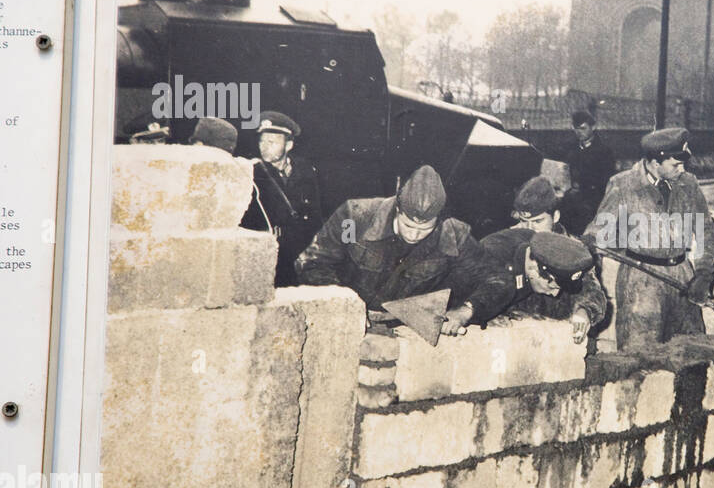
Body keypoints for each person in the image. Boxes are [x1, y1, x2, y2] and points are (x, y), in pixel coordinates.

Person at [297, 165, 512, 334]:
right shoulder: (355, 219)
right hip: (344, 321)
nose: (414, 235)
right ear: (397, 208)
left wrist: (466, 310)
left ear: (439, 219)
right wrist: (344, 305)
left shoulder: (453, 235)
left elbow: (499, 280)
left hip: (404, 329)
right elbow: (313, 262)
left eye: (425, 229)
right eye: (408, 225)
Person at [583, 127, 714, 351]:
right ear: (656, 162)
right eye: (676, 164)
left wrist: (704, 275)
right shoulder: (623, 185)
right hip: (640, 281)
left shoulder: (688, 184)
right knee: (639, 356)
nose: (682, 169)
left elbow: (706, 231)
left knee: (690, 353)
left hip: (682, 277)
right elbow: (600, 231)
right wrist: (588, 243)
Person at [480, 228, 606, 345]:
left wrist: (585, 311)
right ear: (534, 269)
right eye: (552, 287)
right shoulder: (492, 257)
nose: (556, 293)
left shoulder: (554, 251)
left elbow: (589, 284)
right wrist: (487, 314)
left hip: (532, 303)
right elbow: (464, 295)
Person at [240, 111, 323, 287]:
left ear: (289, 145)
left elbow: (315, 216)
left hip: (298, 259)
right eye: (262, 140)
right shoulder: (252, 172)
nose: (264, 147)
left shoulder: (306, 172)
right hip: (267, 258)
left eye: (272, 142)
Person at [557, 110, 616, 233]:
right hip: (570, 199)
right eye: (576, 128)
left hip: (592, 203)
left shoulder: (604, 152)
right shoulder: (569, 148)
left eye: (583, 128)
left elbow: (606, 182)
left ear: (593, 127)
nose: (579, 133)